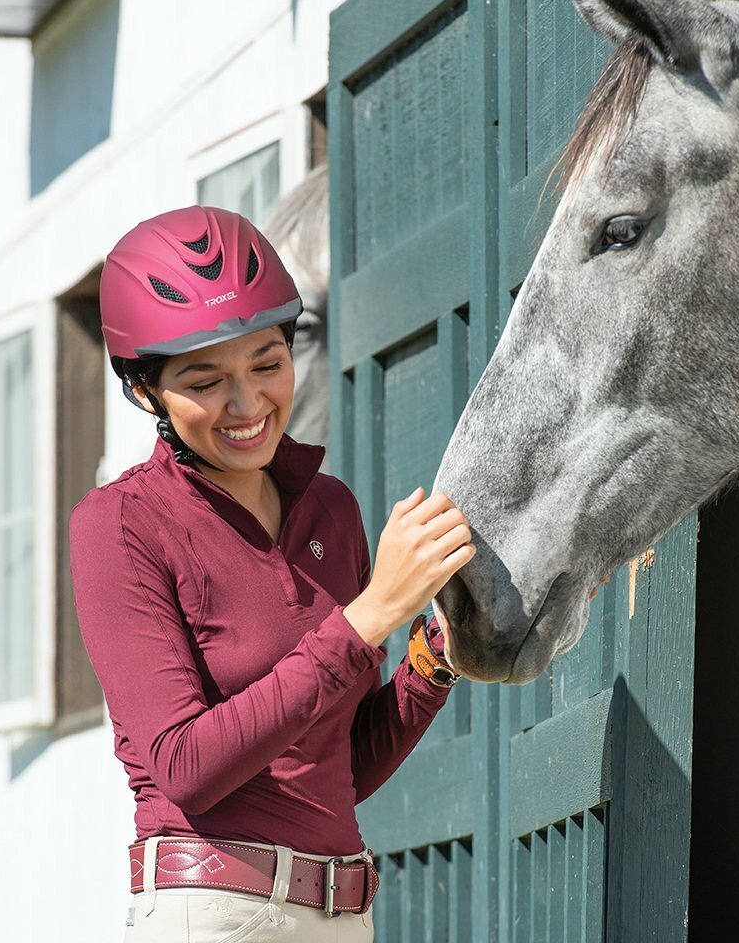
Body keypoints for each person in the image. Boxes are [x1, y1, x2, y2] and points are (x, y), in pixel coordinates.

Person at [70, 205, 471, 942]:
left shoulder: (331, 509)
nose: (248, 402)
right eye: (205, 380)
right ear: (143, 389)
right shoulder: (121, 523)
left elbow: (340, 766)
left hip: (342, 914)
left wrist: (434, 655)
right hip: (213, 913)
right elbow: (185, 767)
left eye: (267, 363)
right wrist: (369, 616)